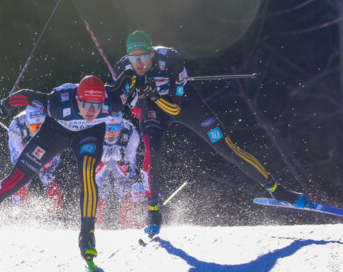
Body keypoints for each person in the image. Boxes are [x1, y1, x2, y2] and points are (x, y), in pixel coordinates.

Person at [115, 30, 308, 237]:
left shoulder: (171, 59)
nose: (139, 63)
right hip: (152, 110)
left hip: (185, 104)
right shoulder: (123, 68)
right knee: (152, 154)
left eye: (144, 56)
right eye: (134, 58)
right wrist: (138, 99)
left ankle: (277, 190)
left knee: (227, 148)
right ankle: (153, 212)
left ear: (151, 53)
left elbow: (176, 109)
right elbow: (134, 110)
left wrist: (154, 94)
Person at [0, 72, 137, 263]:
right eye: (85, 104)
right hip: (54, 133)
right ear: (77, 100)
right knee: (14, 181)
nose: (91, 111)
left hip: (88, 135)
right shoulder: (58, 104)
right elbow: (28, 97)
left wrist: (137, 87)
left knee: (87, 177)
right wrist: (4, 105)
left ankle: (87, 236)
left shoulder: (113, 102)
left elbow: (128, 79)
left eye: (97, 105)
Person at [7, 106, 63, 214]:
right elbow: (23, 155)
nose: (37, 131)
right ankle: (19, 214)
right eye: (34, 127)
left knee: (47, 175)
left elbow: (57, 146)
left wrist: (47, 159)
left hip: (48, 143)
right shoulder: (15, 127)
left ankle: (57, 213)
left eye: (41, 127)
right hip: (21, 146)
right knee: (21, 176)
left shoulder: (54, 122)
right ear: (27, 124)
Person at [94, 112, 142, 229]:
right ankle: (94, 225)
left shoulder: (131, 133)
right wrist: (102, 163)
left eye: (115, 127)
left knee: (125, 185)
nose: (111, 132)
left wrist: (120, 162)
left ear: (121, 126)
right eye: (107, 127)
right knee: (96, 186)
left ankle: (128, 225)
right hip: (100, 159)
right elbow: (91, 171)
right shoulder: (93, 130)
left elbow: (128, 171)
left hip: (122, 158)